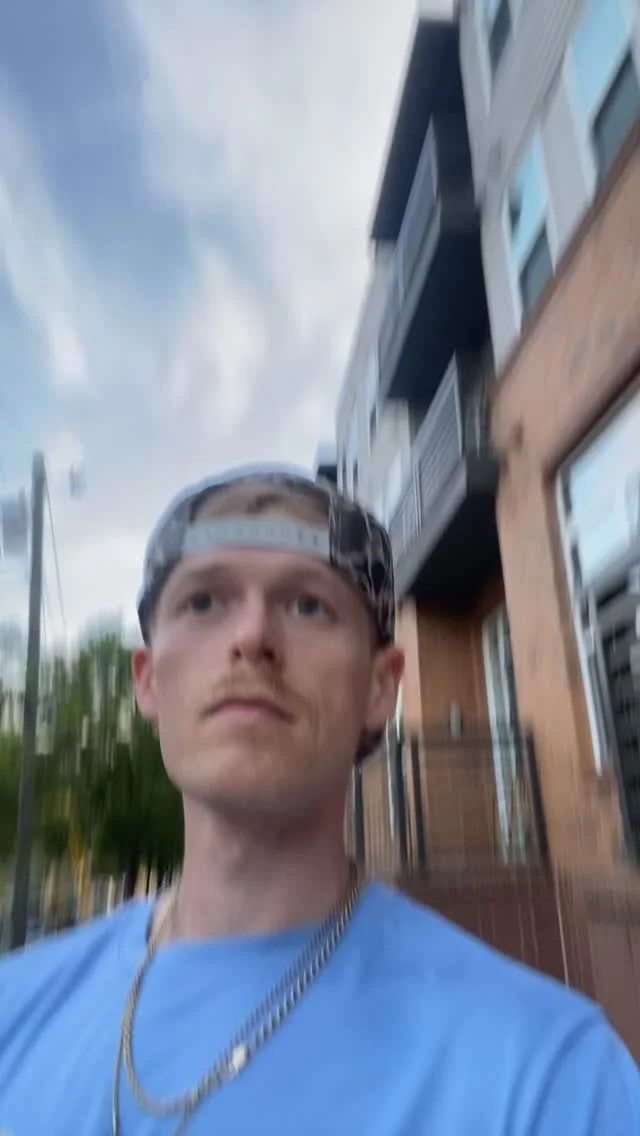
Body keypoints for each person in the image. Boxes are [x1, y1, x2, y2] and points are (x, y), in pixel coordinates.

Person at [0, 464, 638, 1135]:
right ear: (148, 679)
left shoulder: (551, 1078)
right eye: (204, 602)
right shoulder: (15, 1007)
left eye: (308, 605)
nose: (252, 637)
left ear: (380, 687)